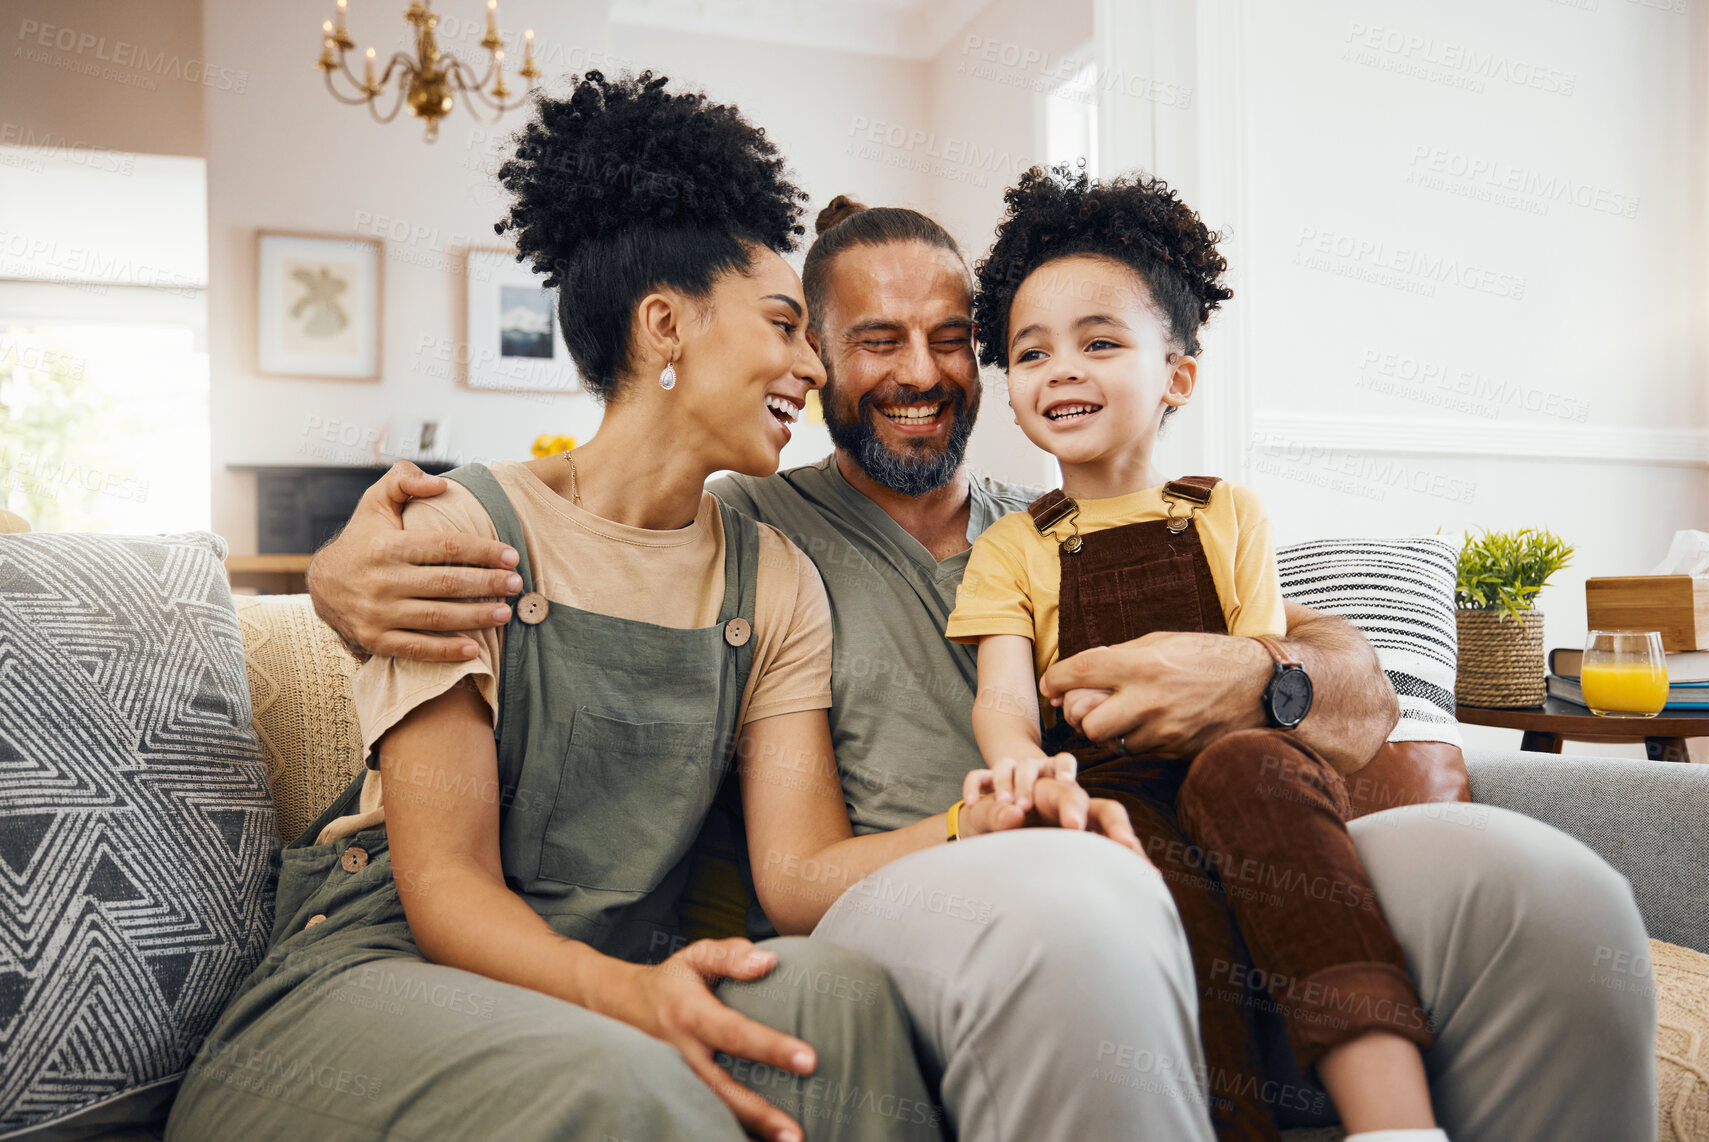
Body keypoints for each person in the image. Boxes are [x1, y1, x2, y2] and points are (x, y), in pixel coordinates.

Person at [306, 183, 1659, 1140]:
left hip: (1178, 842)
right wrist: (337, 571)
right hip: (936, 887)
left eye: (955, 334)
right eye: (865, 338)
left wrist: (1267, 681)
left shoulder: (1070, 516)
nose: (920, 370)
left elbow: (1354, 705)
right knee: (1074, 900)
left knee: (1543, 893)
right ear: (814, 359)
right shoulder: (748, 526)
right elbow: (588, 525)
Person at [169, 71, 1138, 1142]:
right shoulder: (455, 533)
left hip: (615, 960)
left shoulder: (769, 576)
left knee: (841, 1002)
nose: (809, 366)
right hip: (391, 966)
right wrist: (635, 998)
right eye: (784, 324)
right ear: (665, 323)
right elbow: (444, 889)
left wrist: (975, 821)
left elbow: (797, 865)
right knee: (636, 1090)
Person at [948, 165, 1445, 1142]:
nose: (1061, 369)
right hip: (1112, 779)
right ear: (1011, 394)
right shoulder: (1012, 545)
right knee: (1146, 880)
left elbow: (1257, 673)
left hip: (1238, 761)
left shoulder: (1226, 512)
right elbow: (1004, 694)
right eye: (1031, 352)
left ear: (1175, 373)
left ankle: (1394, 1121)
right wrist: (1017, 760)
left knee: (1251, 763)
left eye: (1098, 342)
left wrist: (1255, 710)